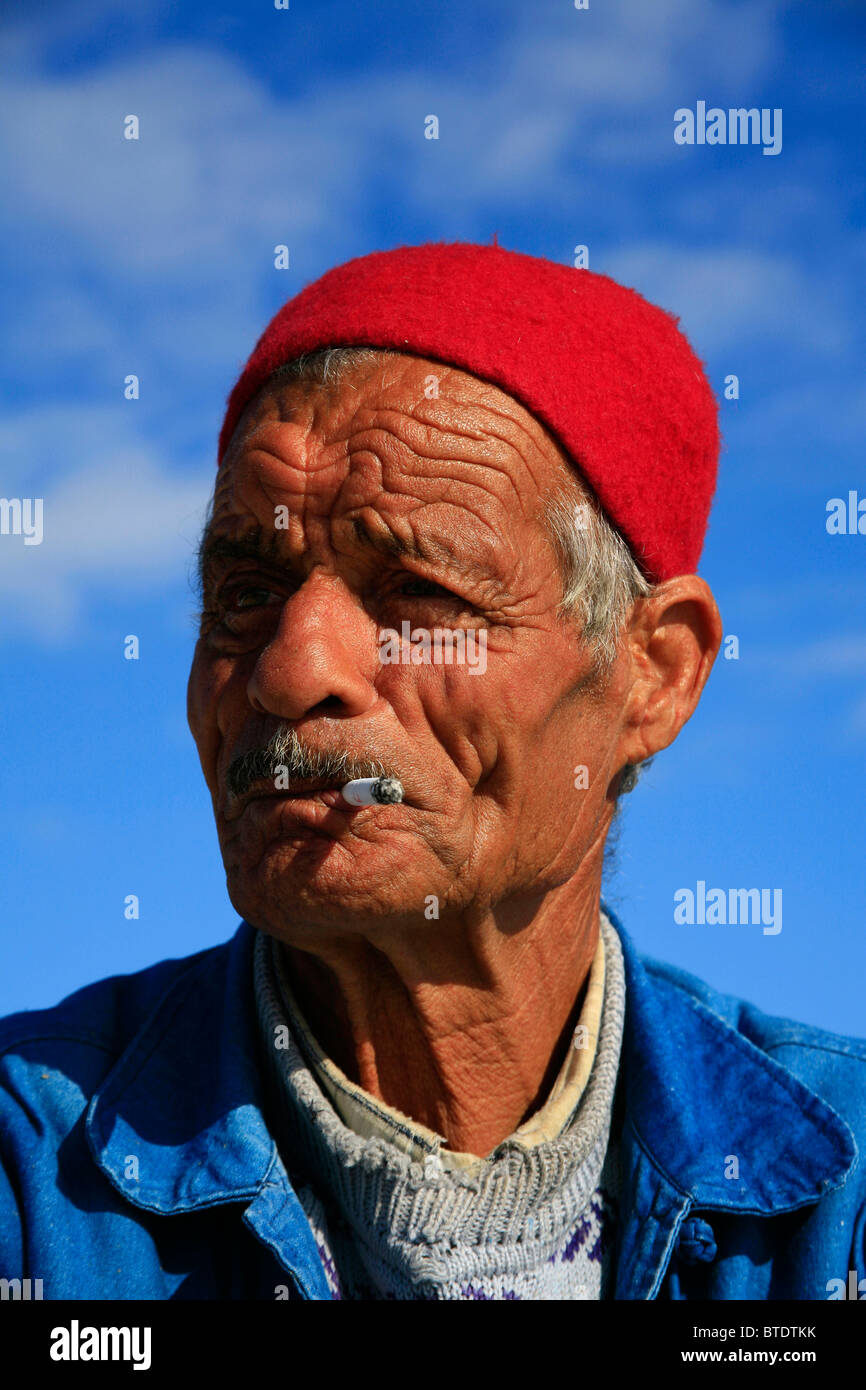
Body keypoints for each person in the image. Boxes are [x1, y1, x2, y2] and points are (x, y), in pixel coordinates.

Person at [1, 241, 864, 1301]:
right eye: (243, 592)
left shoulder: (837, 1206)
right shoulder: (31, 1175)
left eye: (418, 594)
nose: (287, 671)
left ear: (652, 675)